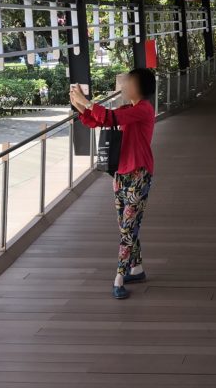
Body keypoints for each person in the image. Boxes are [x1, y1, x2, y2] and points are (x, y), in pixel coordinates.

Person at [70, 69, 157, 300]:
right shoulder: (128, 108)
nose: (125, 86)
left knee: (128, 226)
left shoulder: (144, 109)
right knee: (126, 225)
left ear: (141, 87)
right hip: (121, 172)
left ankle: (120, 276)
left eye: (129, 83)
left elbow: (110, 118)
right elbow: (99, 120)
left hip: (139, 173)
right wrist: (79, 105)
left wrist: (86, 102)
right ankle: (136, 268)